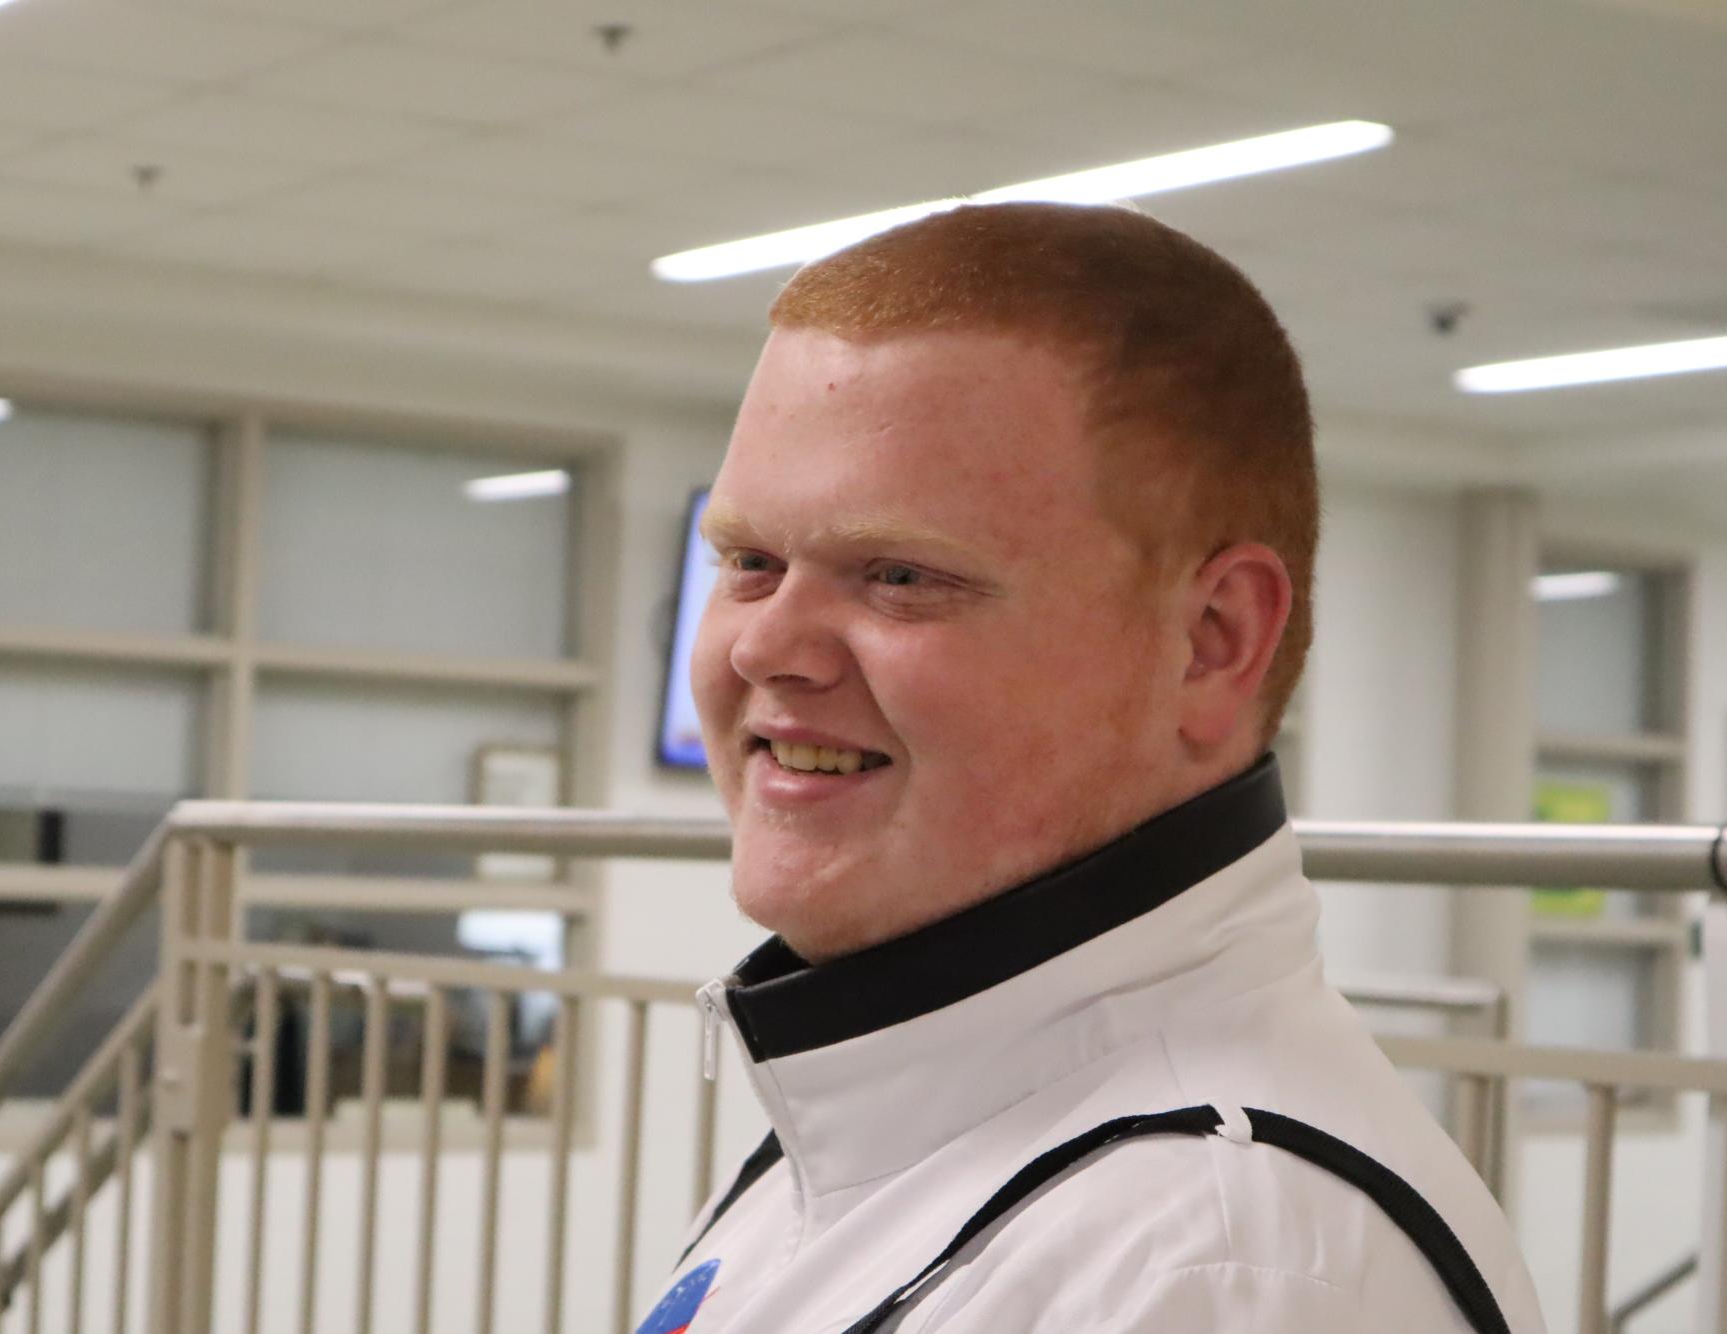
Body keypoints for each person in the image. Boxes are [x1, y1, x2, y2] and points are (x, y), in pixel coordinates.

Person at [641, 202, 1547, 1334]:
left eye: (901, 575)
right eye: (748, 559)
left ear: (1211, 640)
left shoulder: (1215, 1265)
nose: (763, 644)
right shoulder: (880, 1130)